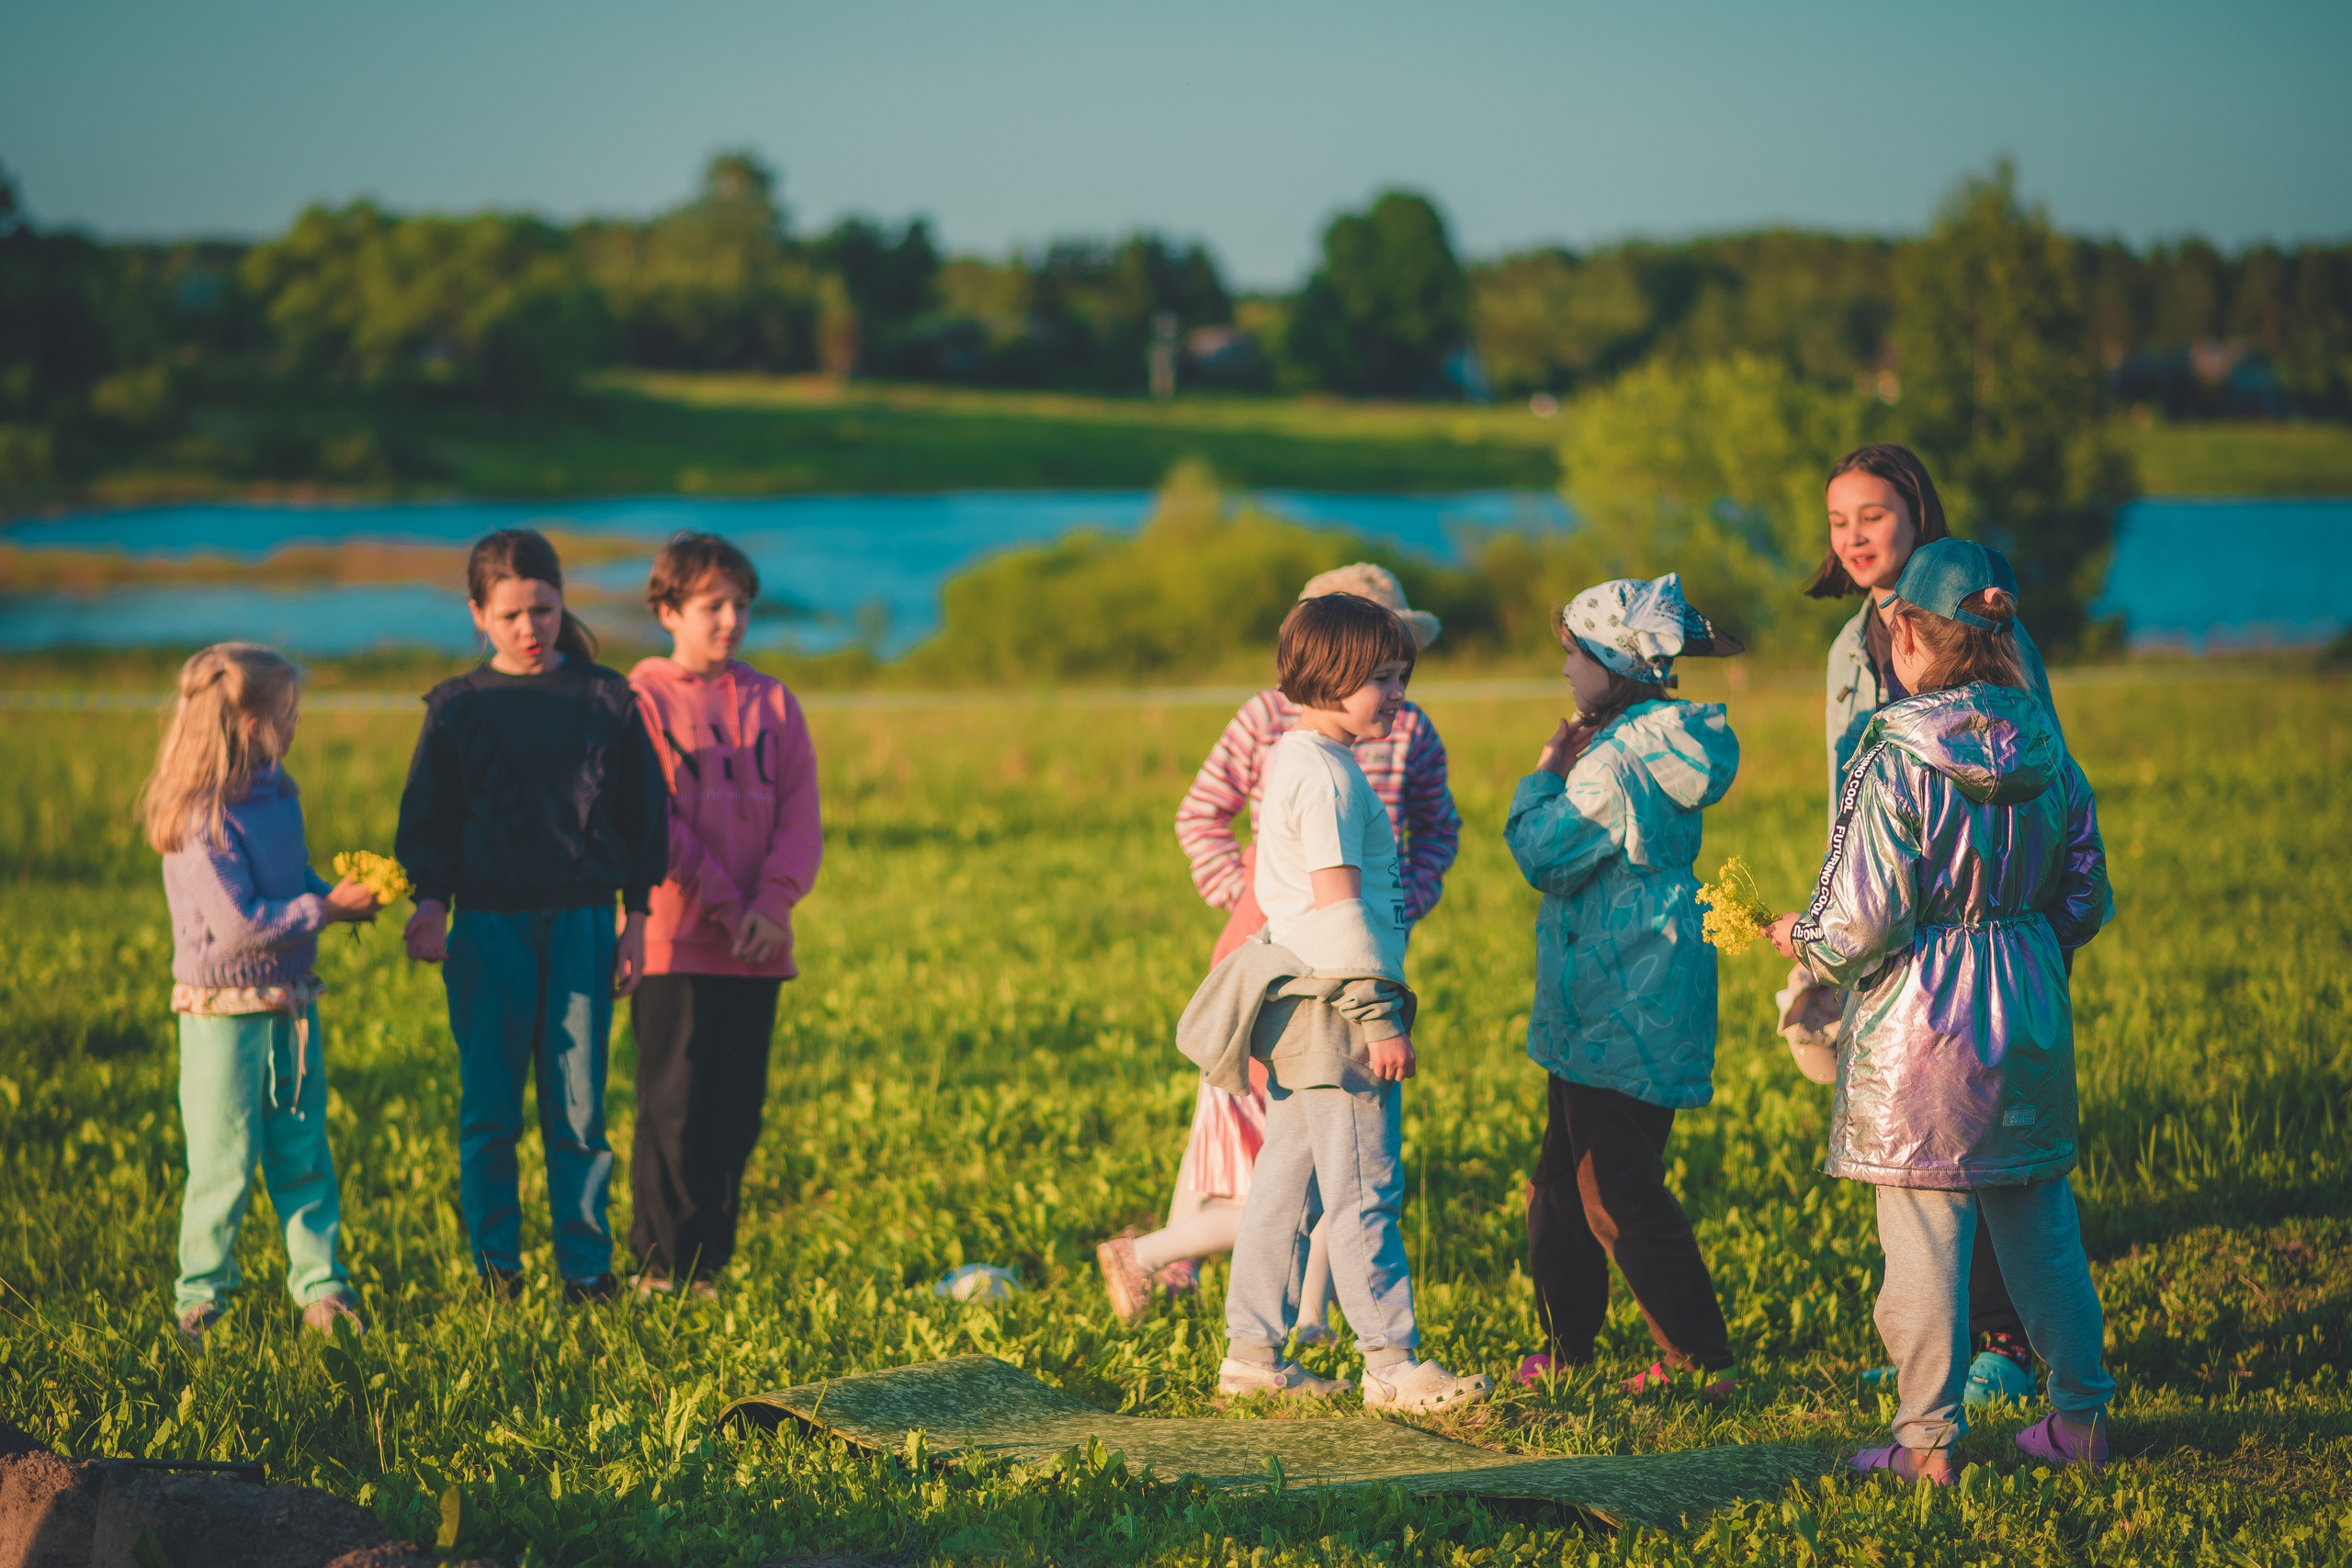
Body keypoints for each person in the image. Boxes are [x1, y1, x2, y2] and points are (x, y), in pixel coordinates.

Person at [1768, 537, 2117, 1482]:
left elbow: (1863, 918)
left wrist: (1804, 938)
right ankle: (2081, 1421)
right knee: (2042, 1229)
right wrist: (2023, 938)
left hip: (1923, 1020)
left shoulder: (1893, 754)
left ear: (1909, 635)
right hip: (2029, 1007)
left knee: (1923, 1238)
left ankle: (1924, 1445)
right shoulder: (2047, 743)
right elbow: (2086, 899)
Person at [1100, 566, 1459, 1330]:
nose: (1393, 682)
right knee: (1252, 1129)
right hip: (1286, 952)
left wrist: (1401, 902)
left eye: (1397, 664)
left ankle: (1297, 1317)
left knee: (1311, 1145)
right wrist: (1253, 892)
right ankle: (1173, 1264)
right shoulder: (1276, 728)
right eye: (1378, 663)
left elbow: (1437, 828)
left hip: (1359, 952)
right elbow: (1203, 816)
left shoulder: (1407, 727)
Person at [1787, 442, 2063, 1406]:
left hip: (1966, 927)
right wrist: (1837, 915)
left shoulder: (1985, 626)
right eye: (1837, 521)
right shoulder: (1846, 644)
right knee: (1923, 1157)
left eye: (1873, 514)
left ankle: (1991, 1352)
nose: (1854, 536)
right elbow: (1845, 791)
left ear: (1918, 515)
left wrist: (2020, 924)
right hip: (1889, 914)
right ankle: (1942, 1359)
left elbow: (2042, 775)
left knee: (1962, 1153)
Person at [1177, 592, 1490, 1415]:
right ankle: (1392, 1362)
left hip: (1306, 1006)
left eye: (1400, 676)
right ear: (1333, 675)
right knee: (1363, 1189)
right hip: (1336, 1010)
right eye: (1383, 678)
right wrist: (1378, 1015)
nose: (1397, 694)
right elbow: (1335, 907)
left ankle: (1252, 1353)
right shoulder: (1323, 776)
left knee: (1287, 1184)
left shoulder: (1306, 759)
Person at [396, 529, 667, 1303]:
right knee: (489, 1109)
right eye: (511, 613)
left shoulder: (608, 699)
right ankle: (497, 1271)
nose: (530, 627)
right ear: (479, 613)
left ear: (561, 603)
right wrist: (428, 905)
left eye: (544, 609)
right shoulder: (455, 708)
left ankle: (587, 1269)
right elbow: (428, 822)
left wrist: (636, 920)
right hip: (487, 929)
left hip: (584, 922)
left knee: (579, 1107)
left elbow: (647, 821)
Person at [1503, 575, 1745, 1400]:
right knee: (1564, 1182)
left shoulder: (1613, 763)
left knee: (1614, 1188)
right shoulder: (1646, 742)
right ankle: (1567, 1345)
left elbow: (1546, 854)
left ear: (1614, 660)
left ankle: (1698, 1359)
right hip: (1620, 994)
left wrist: (1541, 775)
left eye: (1573, 654)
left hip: (1621, 1000)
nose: (1565, 671)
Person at [143, 643, 379, 1342]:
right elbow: (243, 925)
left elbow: (289, 879)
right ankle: (201, 1297)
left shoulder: (275, 792)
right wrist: (327, 911)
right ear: (251, 723)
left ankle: (321, 1285)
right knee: (222, 1158)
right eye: (289, 711)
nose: (296, 722)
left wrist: (324, 894)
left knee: (303, 1146)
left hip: (289, 1002)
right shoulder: (201, 818)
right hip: (223, 1015)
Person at [627, 533, 821, 1297]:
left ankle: (708, 1266)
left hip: (759, 945)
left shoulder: (774, 701)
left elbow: (801, 817)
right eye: (713, 605)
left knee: (736, 1111)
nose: (731, 620)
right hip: (675, 940)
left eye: (741, 604)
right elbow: (654, 820)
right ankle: (657, 1265)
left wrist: (771, 905)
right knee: (671, 1106)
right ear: (669, 609)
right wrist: (726, 901)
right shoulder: (639, 699)